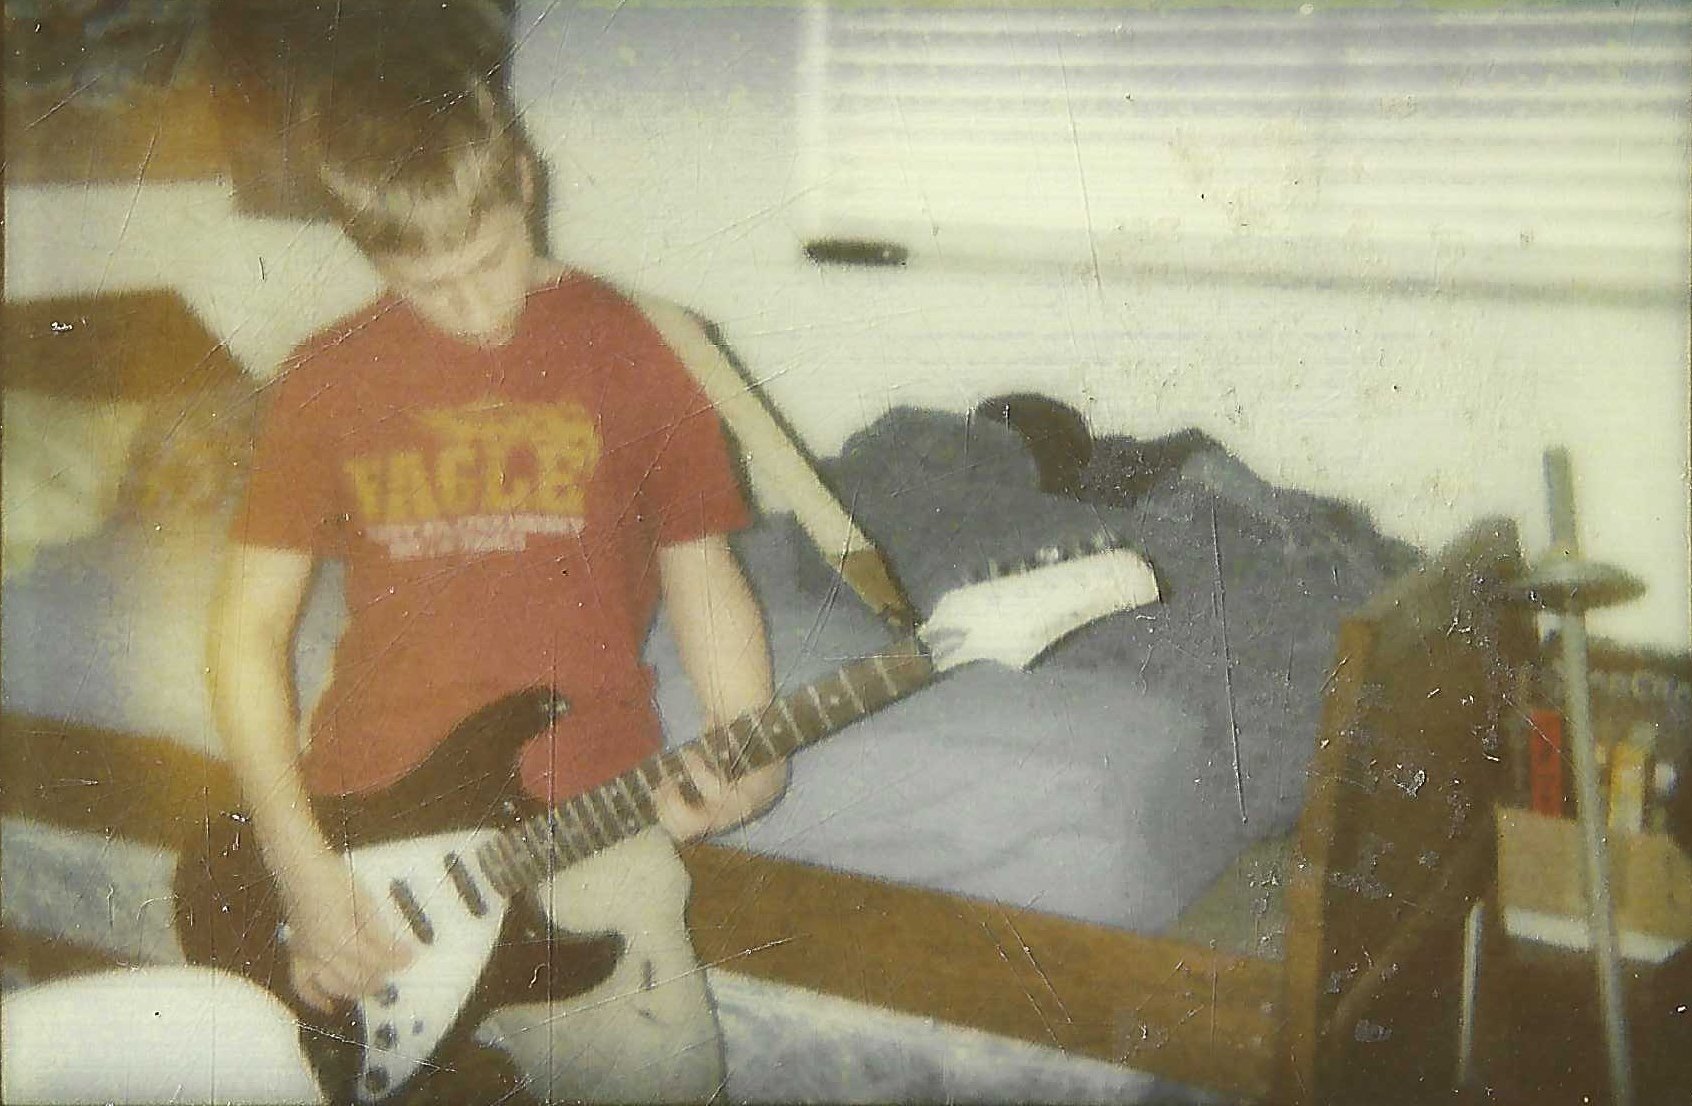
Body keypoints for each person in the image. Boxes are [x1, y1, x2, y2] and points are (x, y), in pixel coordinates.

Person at [208, 72, 785, 1104]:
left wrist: (752, 739)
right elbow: (246, 629)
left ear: (526, 180)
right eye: (428, 285)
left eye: (490, 260)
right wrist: (297, 858)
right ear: (362, 248)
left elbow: (702, 565)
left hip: (591, 809)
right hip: (363, 834)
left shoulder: (648, 344)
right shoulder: (322, 376)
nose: (473, 309)